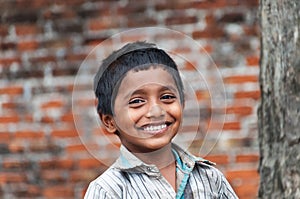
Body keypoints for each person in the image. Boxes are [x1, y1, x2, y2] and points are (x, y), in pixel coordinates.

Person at [84, 41, 238, 199]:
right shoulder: (108, 191)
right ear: (109, 121)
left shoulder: (210, 178)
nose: (156, 111)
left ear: (182, 104)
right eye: (137, 101)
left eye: (167, 97)